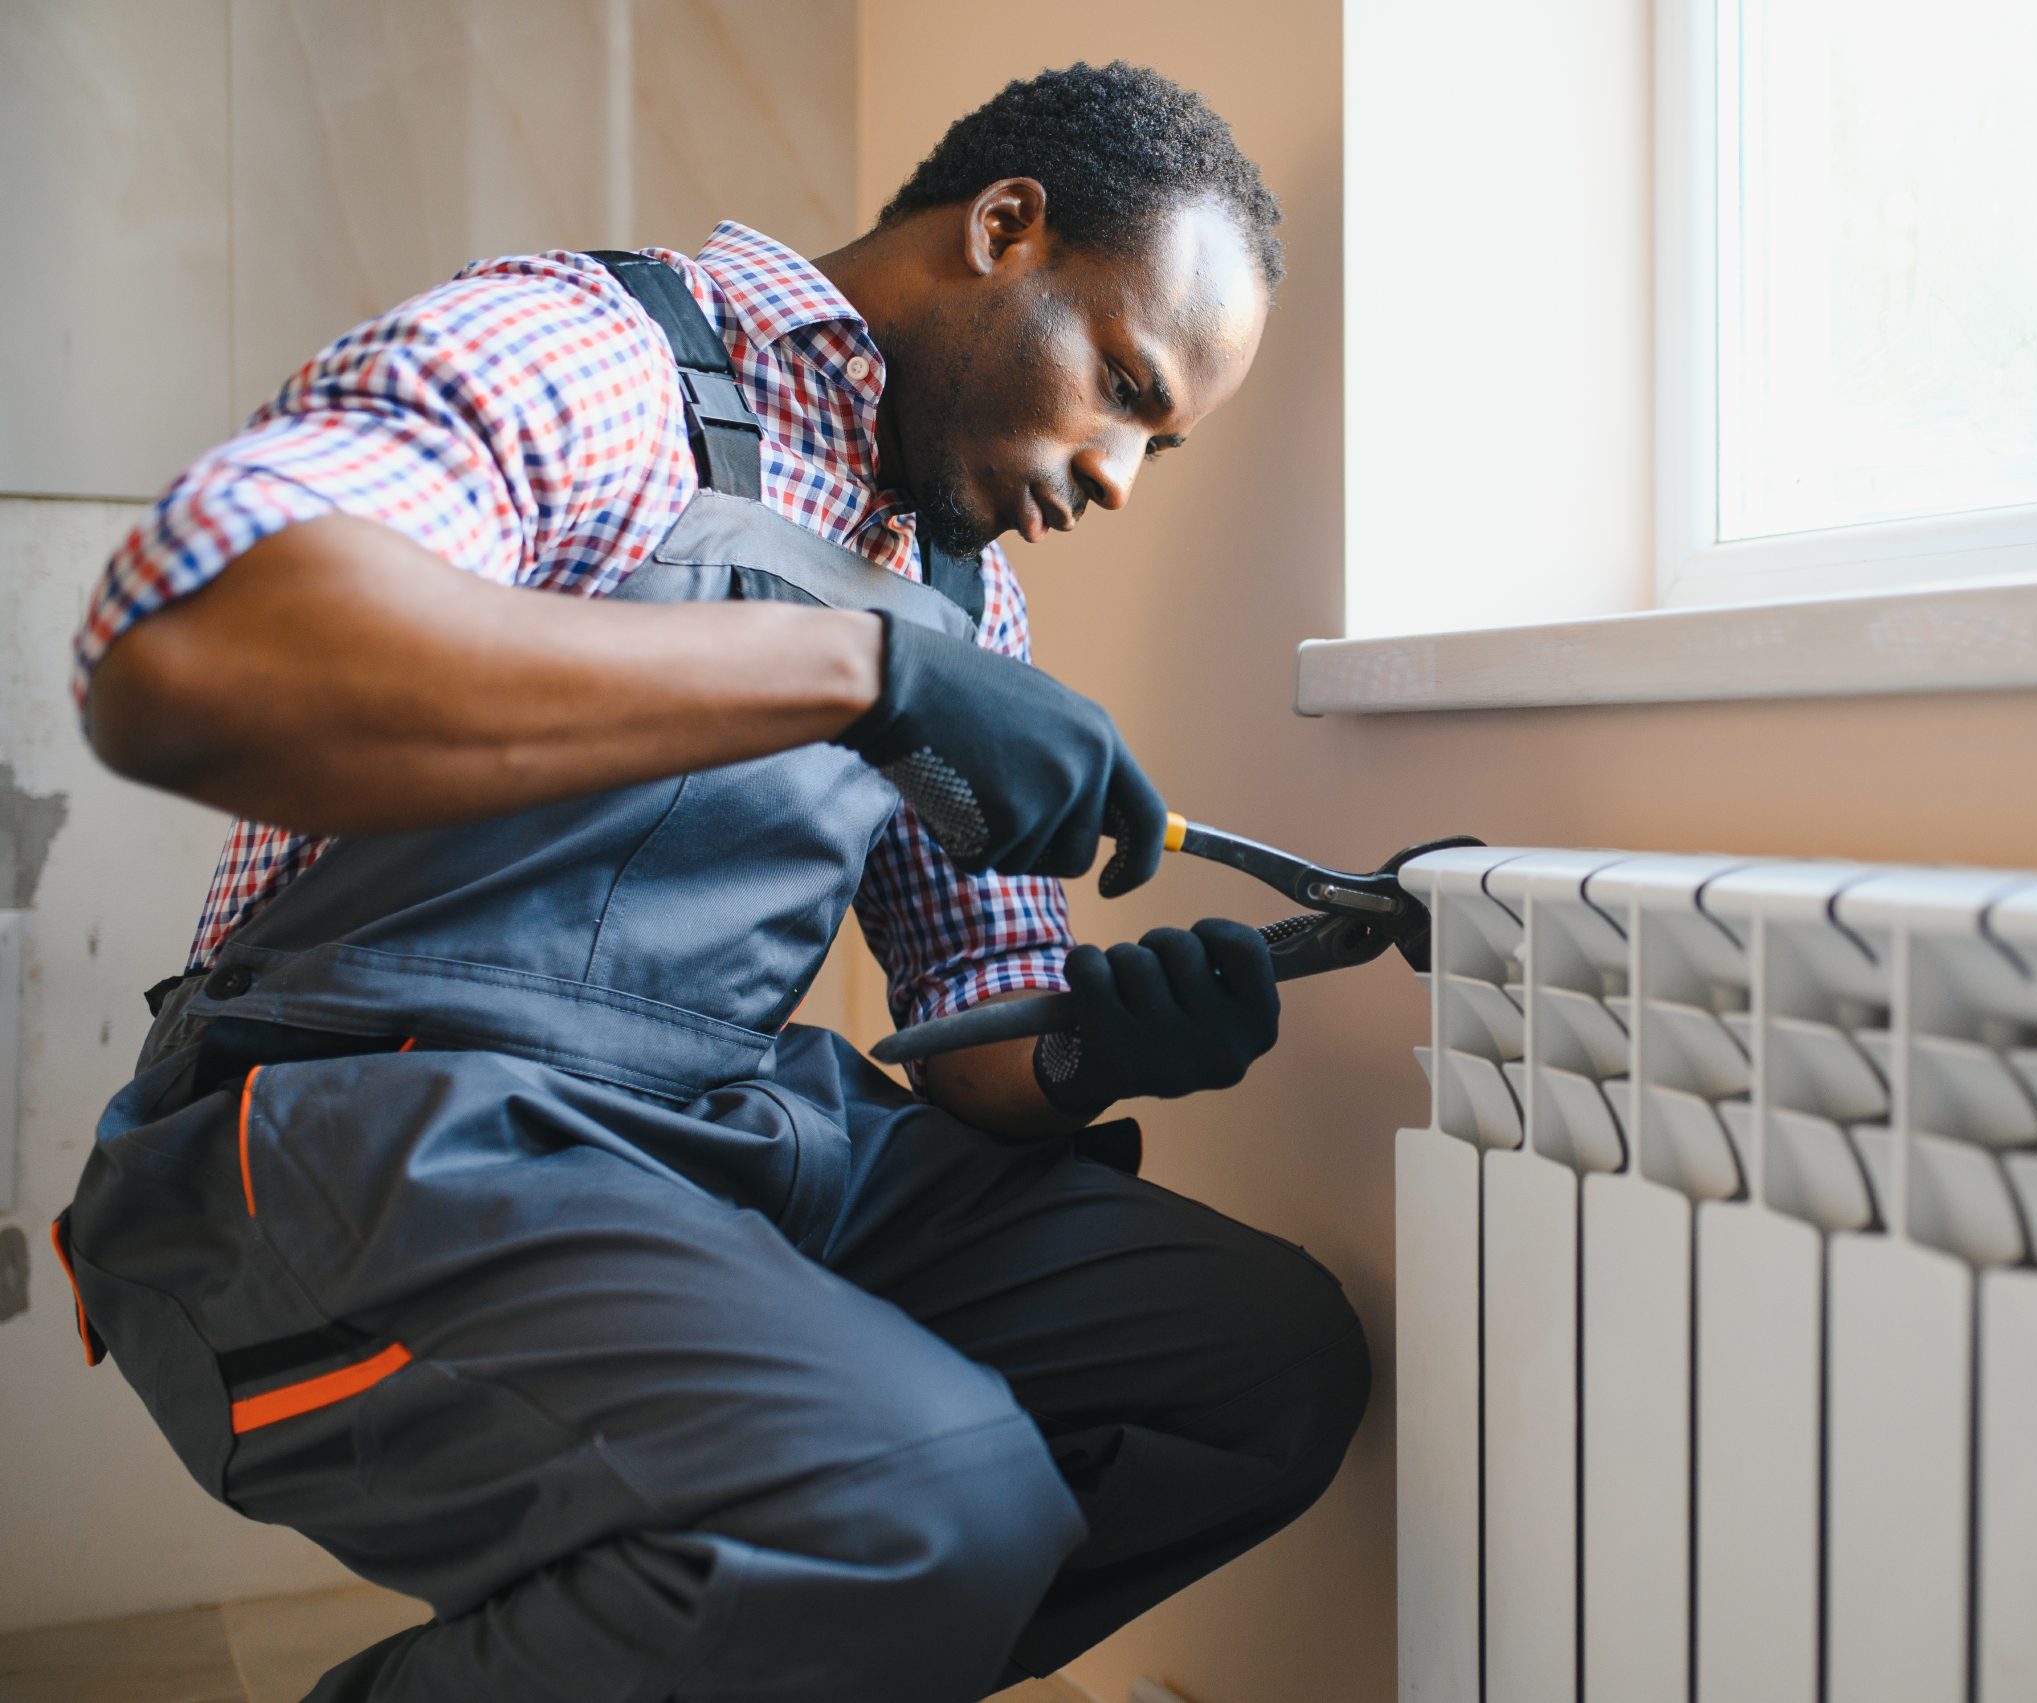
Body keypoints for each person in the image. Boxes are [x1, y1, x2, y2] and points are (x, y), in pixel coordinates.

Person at [50, 61, 1368, 1702]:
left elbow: (970, 1044)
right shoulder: (586, 353)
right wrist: (857, 671)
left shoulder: (967, 597)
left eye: (1158, 447)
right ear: (1004, 230)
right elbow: (193, 650)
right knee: (920, 1494)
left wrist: (1095, 1047)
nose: (1115, 476)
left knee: (1256, 1369)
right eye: (1121, 386)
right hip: (357, 1127)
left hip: (714, 1136)